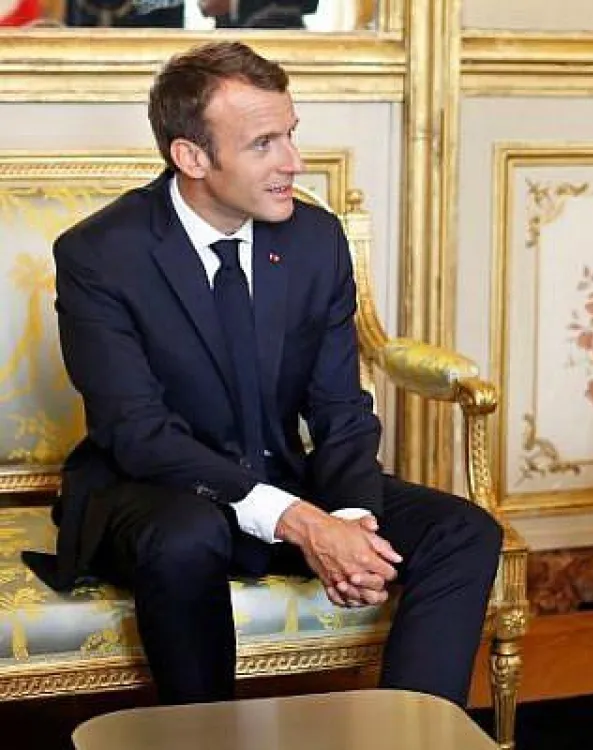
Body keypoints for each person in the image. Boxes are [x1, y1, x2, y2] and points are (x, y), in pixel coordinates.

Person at [27, 40, 502, 707]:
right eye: (263, 145)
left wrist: (352, 521)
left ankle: (413, 734)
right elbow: (136, 431)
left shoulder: (315, 239)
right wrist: (301, 523)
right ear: (192, 156)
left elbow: (339, 407)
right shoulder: (102, 253)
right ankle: (207, 739)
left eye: (291, 135)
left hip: (281, 475)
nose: (294, 163)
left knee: (465, 530)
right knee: (187, 535)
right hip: (156, 490)